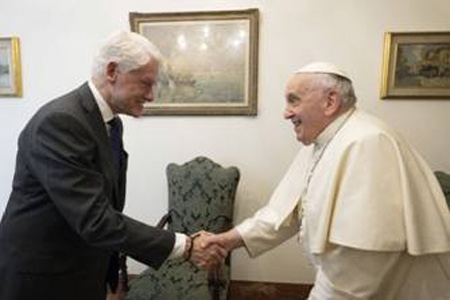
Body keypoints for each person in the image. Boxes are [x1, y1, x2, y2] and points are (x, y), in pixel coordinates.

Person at [0, 31, 225, 300]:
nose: (152, 96)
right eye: (145, 83)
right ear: (112, 71)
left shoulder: (110, 123)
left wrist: (109, 276)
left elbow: (107, 206)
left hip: (82, 271)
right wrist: (185, 245)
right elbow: (95, 219)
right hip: (43, 278)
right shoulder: (61, 122)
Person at [203, 62, 450, 299]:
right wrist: (230, 239)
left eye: (293, 100)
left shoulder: (367, 143)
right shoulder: (326, 140)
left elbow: (359, 264)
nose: (285, 113)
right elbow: (286, 212)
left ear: (330, 101)